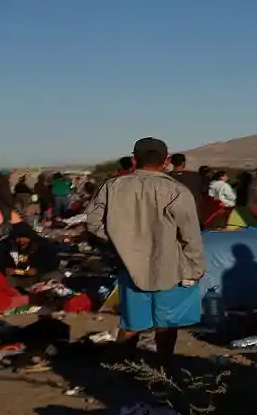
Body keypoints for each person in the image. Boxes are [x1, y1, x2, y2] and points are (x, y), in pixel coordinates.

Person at [85, 137, 205, 362]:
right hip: (170, 265)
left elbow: (93, 223)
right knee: (166, 325)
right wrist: (195, 268)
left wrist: (122, 240)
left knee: (132, 322)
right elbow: (190, 234)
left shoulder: (113, 186)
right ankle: (163, 371)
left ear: (133, 159)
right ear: (166, 161)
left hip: (130, 267)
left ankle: (124, 368)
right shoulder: (177, 190)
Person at [0, 222, 61, 286]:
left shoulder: (41, 245)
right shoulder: (6, 245)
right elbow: (0, 265)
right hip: (14, 279)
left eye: (22, 237)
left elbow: (38, 269)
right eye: (17, 238)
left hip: (37, 278)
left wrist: (37, 270)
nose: (19, 240)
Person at [168, 153, 207, 220]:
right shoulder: (196, 176)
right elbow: (204, 191)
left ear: (171, 162)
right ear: (183, 163)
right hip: (193, 213)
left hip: (171, 215)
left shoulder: (166, 177)